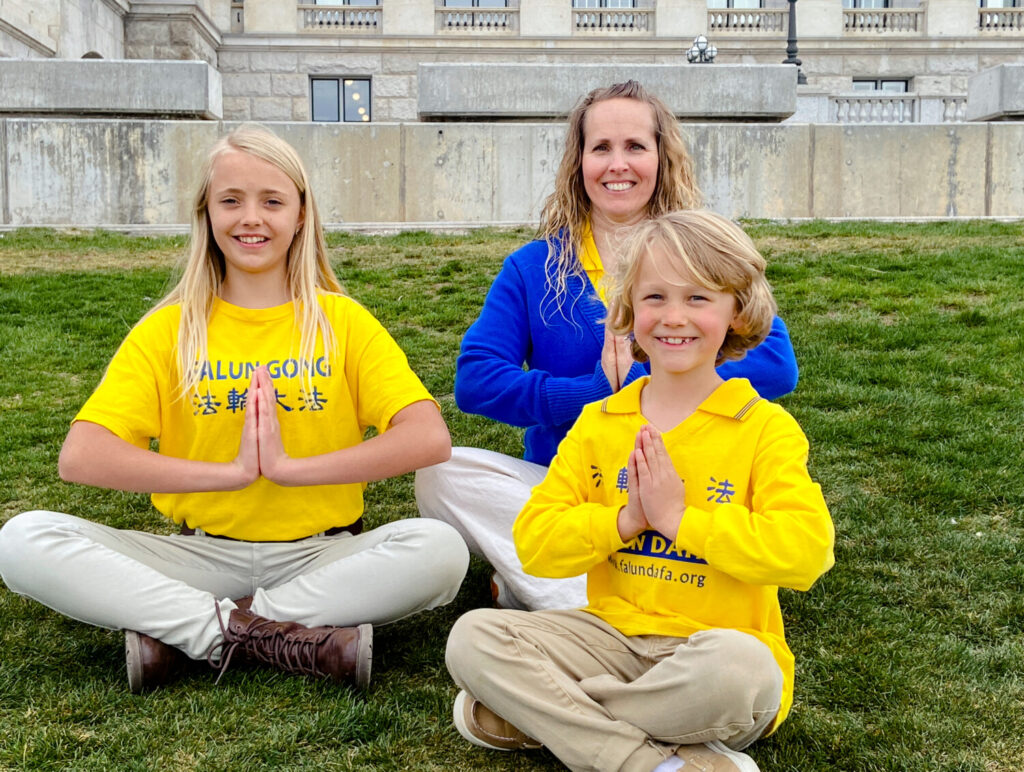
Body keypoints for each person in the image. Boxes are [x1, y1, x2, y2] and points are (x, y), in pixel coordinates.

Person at [0, 124, 469, 693]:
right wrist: (231, 475)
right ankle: (270, 634)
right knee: (23, 539)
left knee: (441, 551)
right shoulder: (169, 329)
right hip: (198, 558)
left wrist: (288, 469)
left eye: (272, 201)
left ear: (300, 215)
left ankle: (191, 633)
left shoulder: (341, 321)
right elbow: (82, 455)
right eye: (231, 200)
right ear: (207, 213)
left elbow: (427, 437)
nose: (252, 218)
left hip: (321, 556)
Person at [445, 209, 834, 772]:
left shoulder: (763, 426)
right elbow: (535, 544)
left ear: (738, 314)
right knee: (474, 638)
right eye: (654, 298)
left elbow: (806, 553)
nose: (674, 317)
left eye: (699, 298)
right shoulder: (601, 422)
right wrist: (624, 521)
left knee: (744, 670)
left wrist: (680, 521)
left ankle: (544, 720)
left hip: (711, 652)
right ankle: (659, 763)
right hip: (609, 638)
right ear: (627, 311)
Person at [415, 80, 799, 612]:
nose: (618, 164)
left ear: (663, 159)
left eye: (636, 147)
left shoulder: (707, 251)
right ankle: (584, 600)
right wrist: (590, 393)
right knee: (442, 473)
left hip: (689, 484)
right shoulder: (534, 267)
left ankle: (555, 592)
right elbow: (476, 381)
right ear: (579, 163)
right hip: (575, 486)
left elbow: (777, 365)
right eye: (601, 148)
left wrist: (644, 388)